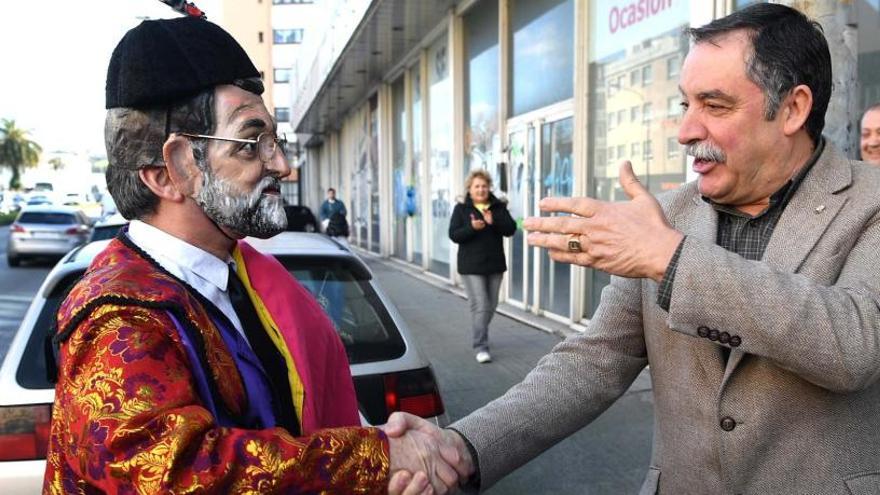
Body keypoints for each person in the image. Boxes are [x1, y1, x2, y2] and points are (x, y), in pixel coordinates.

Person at [384, 4, 880, 493]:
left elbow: (853, 345)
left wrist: (671, 259)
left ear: (793, 108)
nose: (686, 131)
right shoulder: (664, 217)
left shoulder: (870, 202)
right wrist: (463, 447)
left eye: (715, 105)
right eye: (686, 104)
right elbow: (591, 363)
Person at [44, 16, 457, 495]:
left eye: (274, 141)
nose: (281, 165)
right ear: (169, 171)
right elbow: (177, 476)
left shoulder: (230, 280)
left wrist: (382, 457)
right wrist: (375, 459)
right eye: (251, 143)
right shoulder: (118, 318)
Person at [448, 170, 516, 363]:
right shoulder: (461, 209)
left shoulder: (497, 207)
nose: (481, 189)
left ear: (489, 188)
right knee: (481, 305)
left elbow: (510, 229)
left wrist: (493, 222)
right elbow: (454, 234)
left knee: (491, 306)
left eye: (484, 186)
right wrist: (472, 228)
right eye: (477, 186)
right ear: (470, 189)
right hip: (471, 266)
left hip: (495, 265)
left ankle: (480, 331)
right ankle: (481, 345)